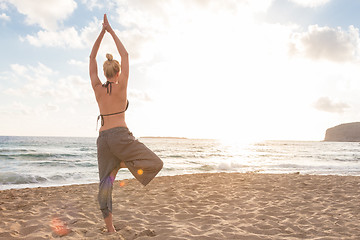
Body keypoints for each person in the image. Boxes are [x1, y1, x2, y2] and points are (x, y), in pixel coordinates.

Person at [89, 14, 163, 233]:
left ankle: (110, 229)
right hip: (120, 136)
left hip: (103, 139)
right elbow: (126, 54)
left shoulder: (97, 88)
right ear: (118, 72)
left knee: (104, 185)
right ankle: (122, 164)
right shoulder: (122, 87)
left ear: (104, 72)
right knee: (155, 163)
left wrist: (101, 33)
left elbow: (92, 57)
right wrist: (111, 30)